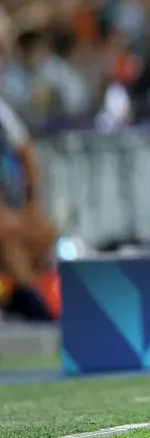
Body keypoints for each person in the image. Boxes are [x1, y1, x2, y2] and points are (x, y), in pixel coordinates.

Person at [0, 94, 59, 320]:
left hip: (11, 205)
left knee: (44, 232)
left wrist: (33, 205)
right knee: (8, 234)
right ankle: (32, 301)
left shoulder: (3, 113)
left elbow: (26, 153)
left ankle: (28, 296)